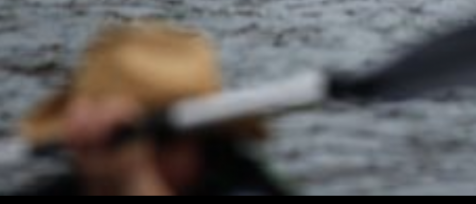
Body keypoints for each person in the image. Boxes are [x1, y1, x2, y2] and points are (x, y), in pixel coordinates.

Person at [17, 21, 288, 195]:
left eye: (163, 143)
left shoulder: (243, 186)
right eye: (109, 147)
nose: (127, 161)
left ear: (204, 142)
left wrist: (136, 185)